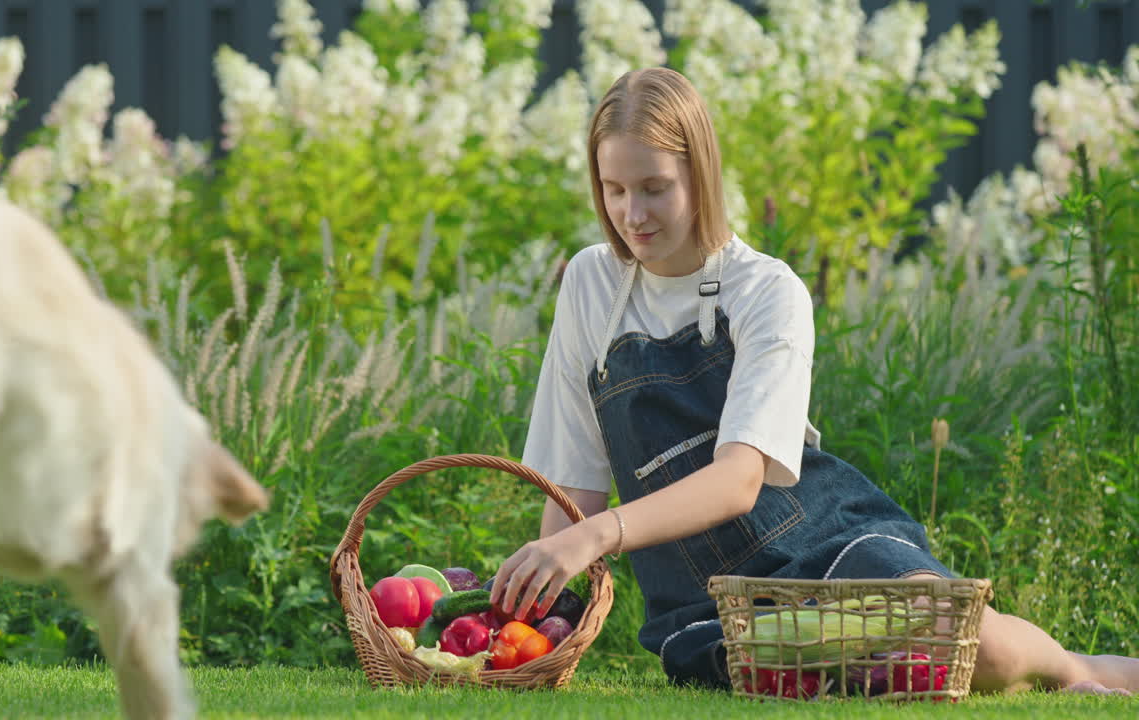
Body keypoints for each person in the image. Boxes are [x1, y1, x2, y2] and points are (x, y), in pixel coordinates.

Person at [487, 67, 1139, 695]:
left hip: (823, 542)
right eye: (614, 189)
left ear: (700, 174)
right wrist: (534, 625)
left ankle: (1081, 668)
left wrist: (596, 536)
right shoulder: (590, 284)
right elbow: (574, 477)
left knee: (977, 650)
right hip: (704, 597)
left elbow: (740, 479)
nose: (633, 213)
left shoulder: (766, 290)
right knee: (848, 676)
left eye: (655, 187)